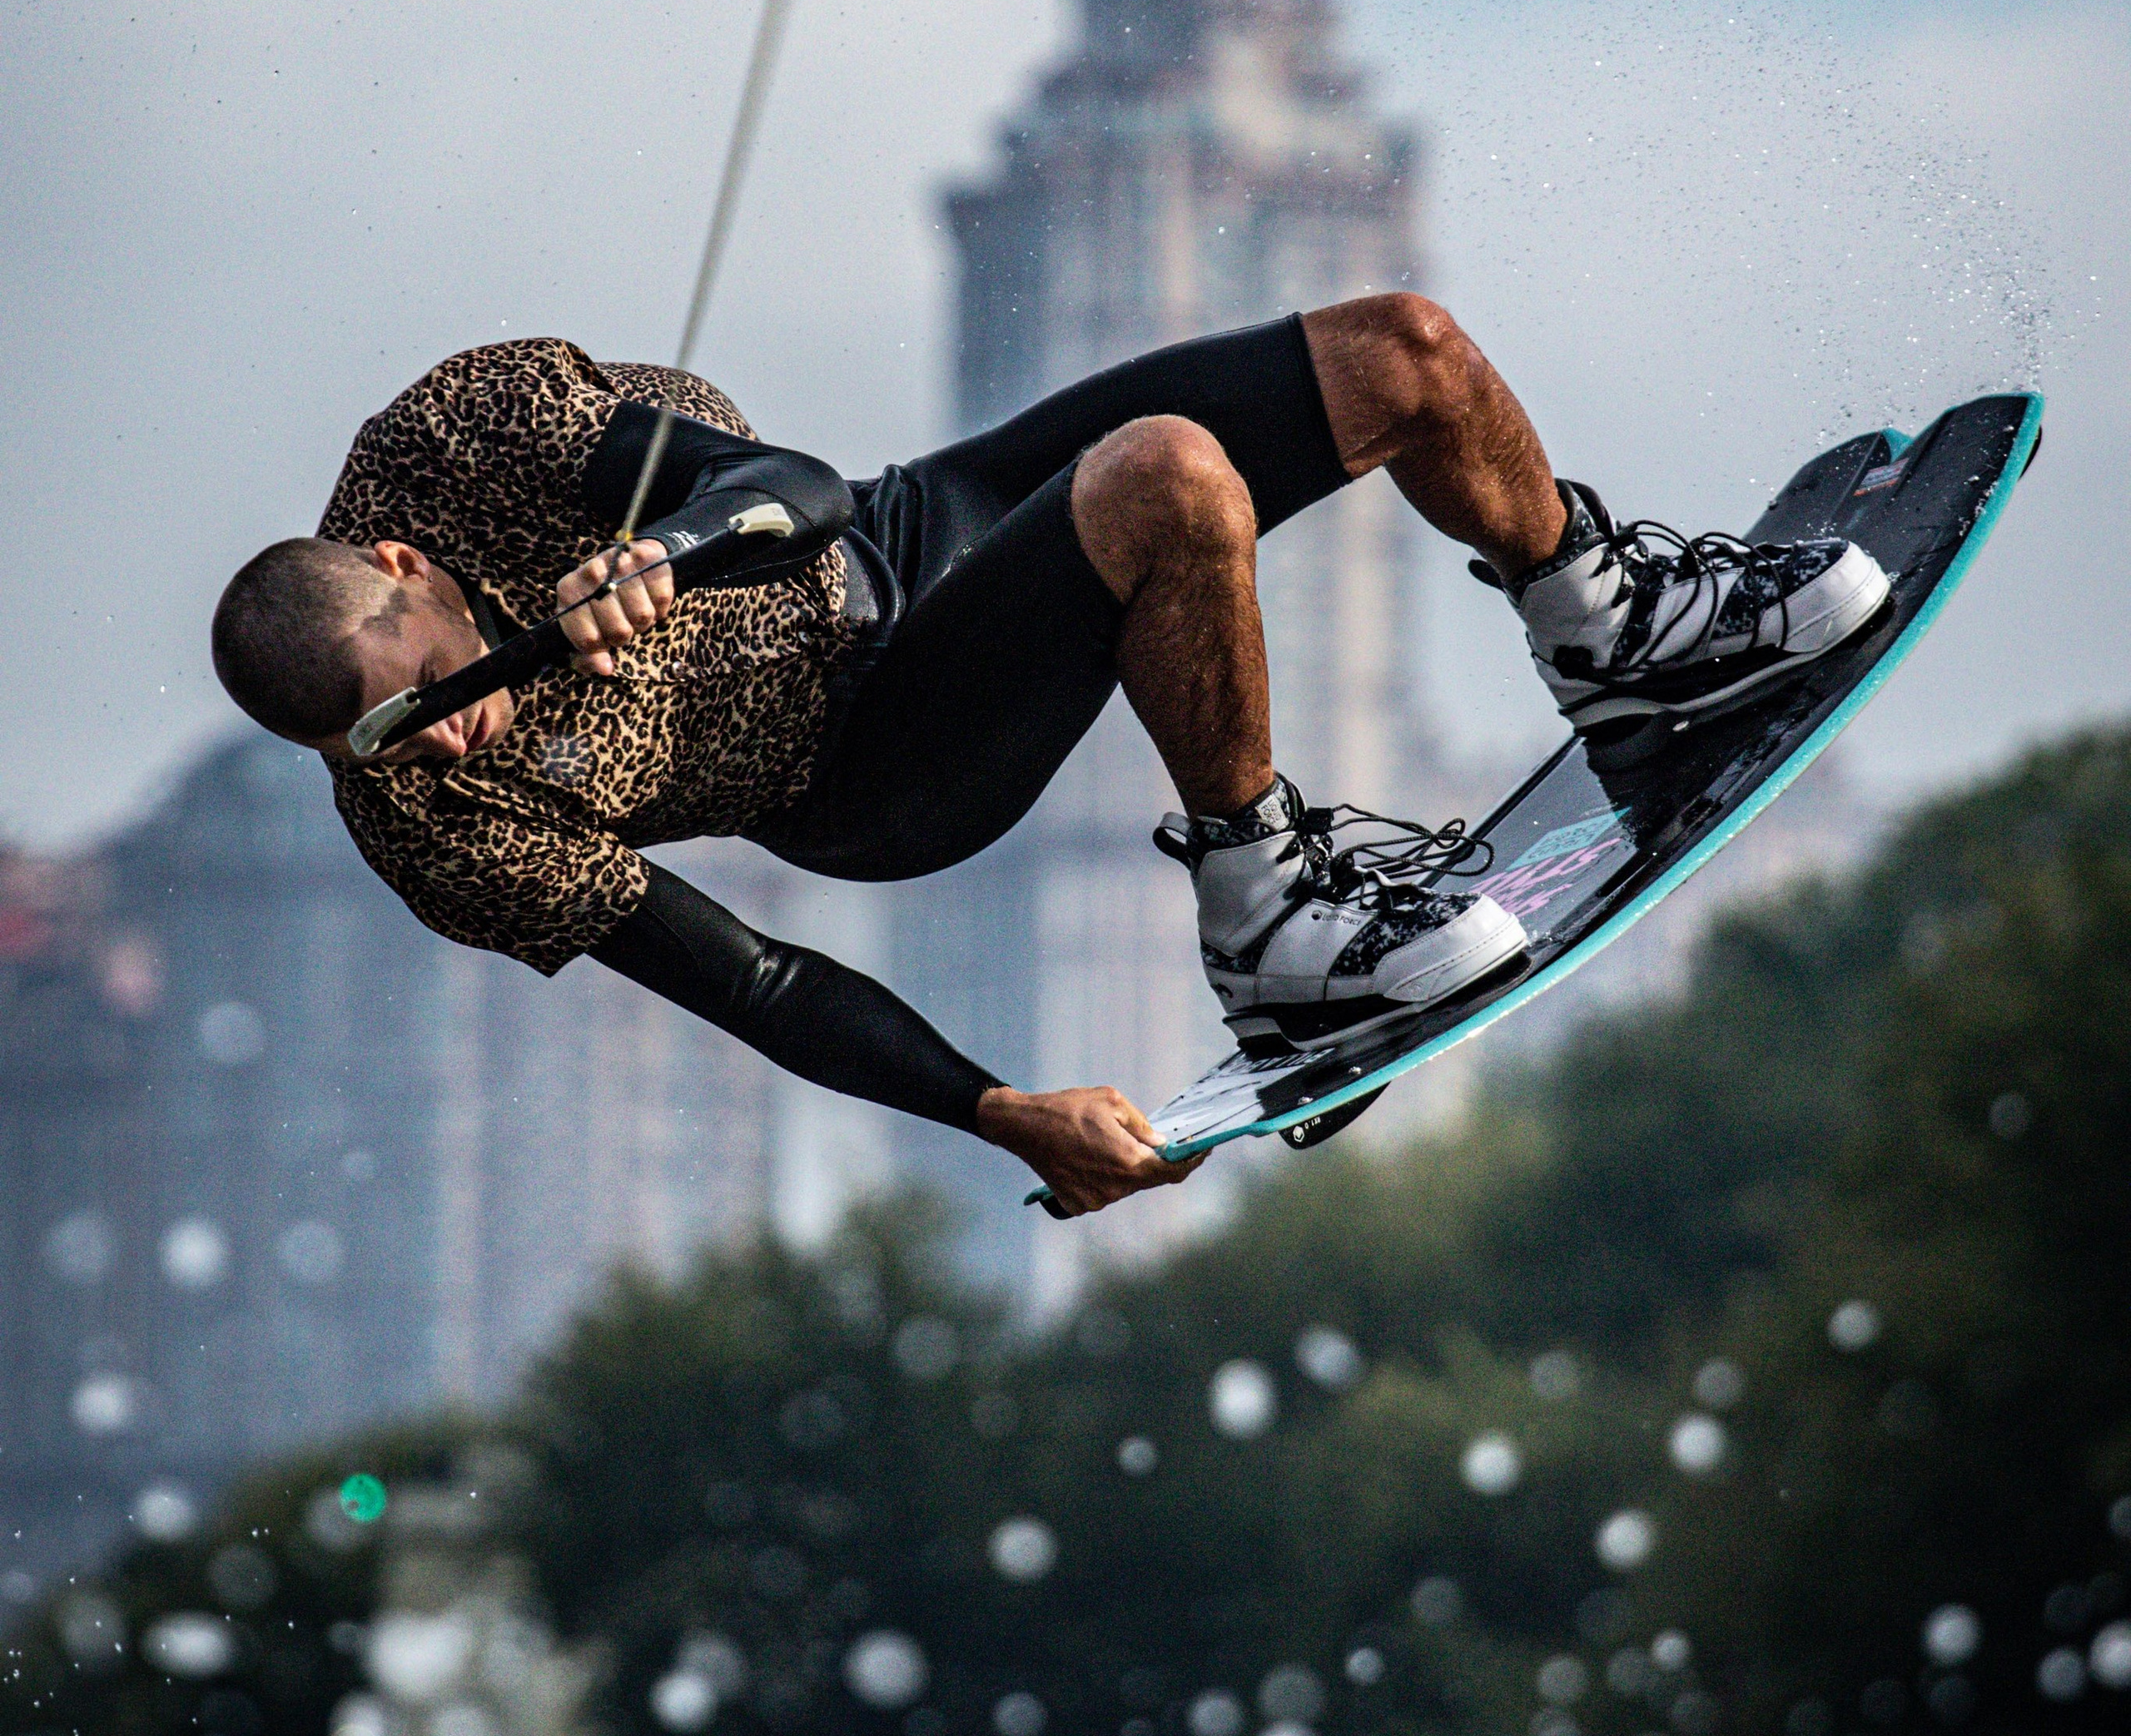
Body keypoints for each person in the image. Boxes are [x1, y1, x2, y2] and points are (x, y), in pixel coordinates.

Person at [210, 302, 1888, 1215]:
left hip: (900, 530)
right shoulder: (431, 826)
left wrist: (669, 553)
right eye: (392, 740)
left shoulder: (457, 439)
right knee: (1167, 477)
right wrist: (1001, 1113)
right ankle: (1275, 929)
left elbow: (784, 477)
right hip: (867, 765)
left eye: (441, 686)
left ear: (410, 574)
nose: (453, 730)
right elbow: (760, 986)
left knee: (1406, 362)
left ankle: (1613, 633)